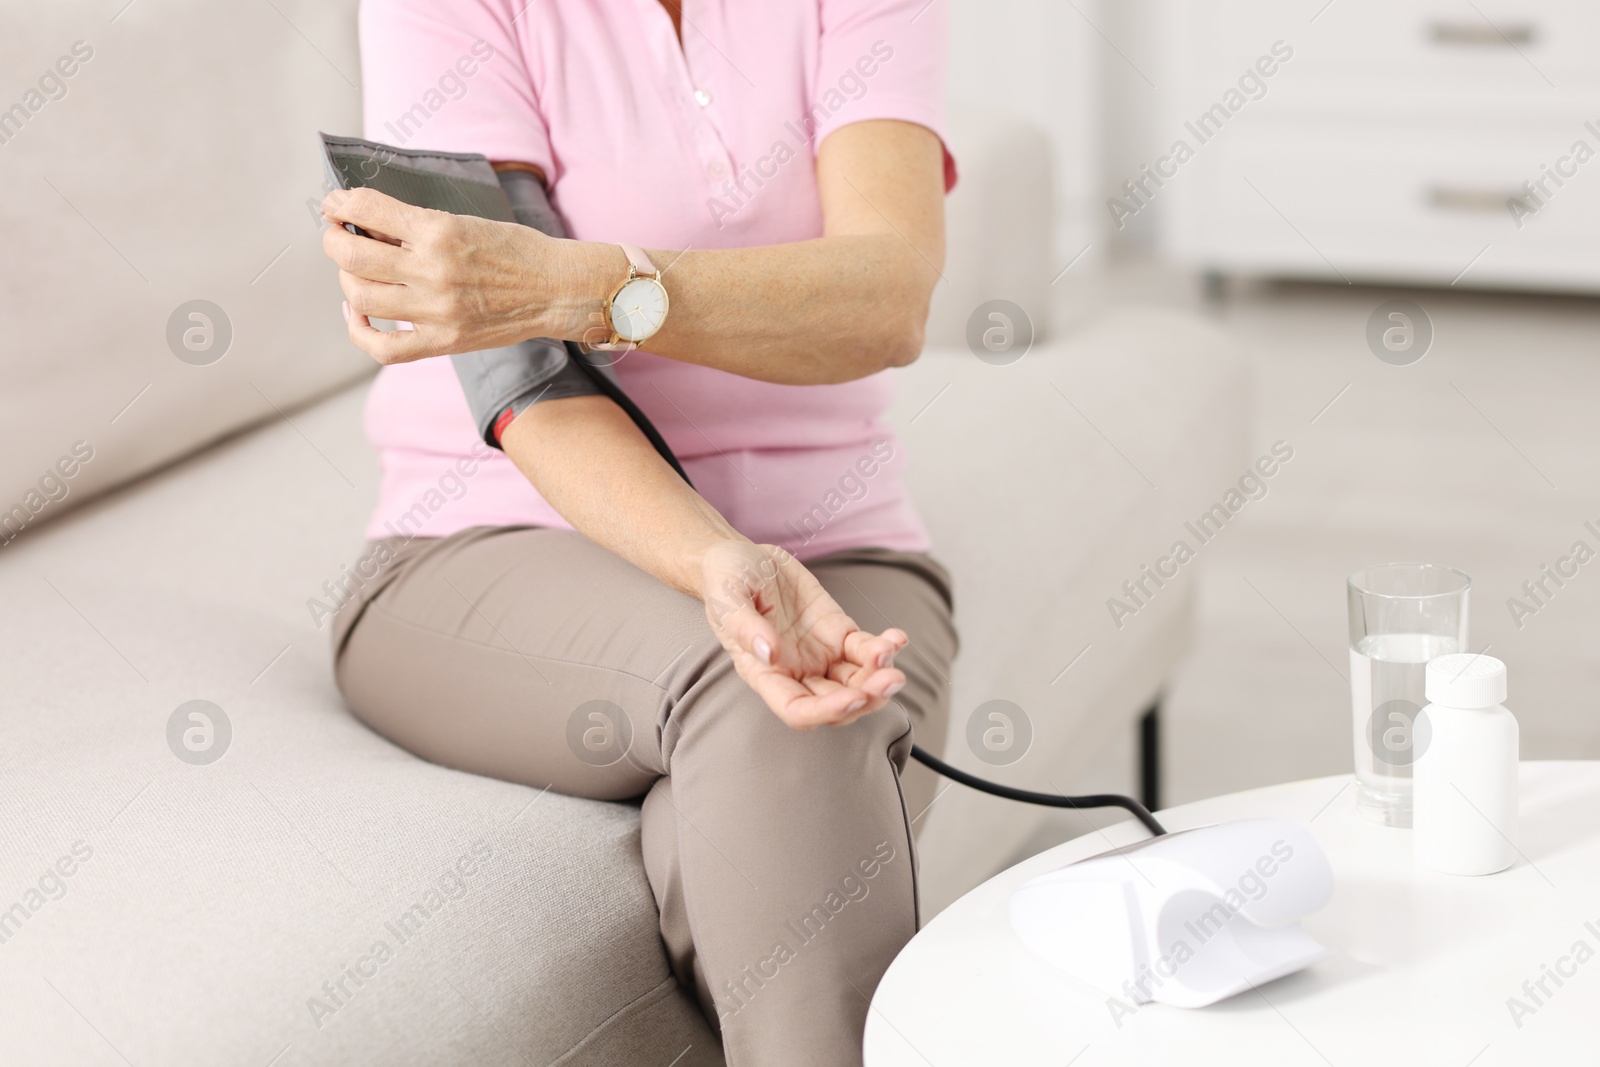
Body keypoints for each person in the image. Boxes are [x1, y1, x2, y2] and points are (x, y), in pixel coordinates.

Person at [322, 1, 958, 1063]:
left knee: (788, 736)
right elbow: (524, 373)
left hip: (841, 546)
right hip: (487, 539)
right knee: (758, 676)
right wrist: (720, 563)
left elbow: (885, 297)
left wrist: (584, 283)